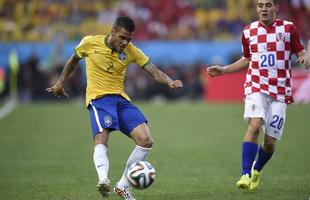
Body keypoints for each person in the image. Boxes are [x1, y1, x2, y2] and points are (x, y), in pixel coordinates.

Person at [46, 16, 183, 199]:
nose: (125, 42)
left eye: (129, 39)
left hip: (121, 99)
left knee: (146, 140)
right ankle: (103, 180)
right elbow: (72, 61)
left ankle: (122, 186)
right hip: (99, 99)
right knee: (102, 137)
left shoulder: (132, 51)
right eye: (122, 37)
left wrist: (169, 81)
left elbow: (154, 71)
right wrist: (60, 82)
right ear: (112, 32)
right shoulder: (90, 42)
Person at [207, 0, 310, 190]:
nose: (264, 8)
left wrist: (304, 57)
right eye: (260, 5)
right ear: (256, 8)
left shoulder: (288, 29)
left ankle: (256, 169)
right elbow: (247, 59)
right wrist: (224, 70)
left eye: (268, 5)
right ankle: (245, 174)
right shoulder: (248, 31)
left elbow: (301, 51)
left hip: (279, 91)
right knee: (254, 125)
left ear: (276, 7)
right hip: (256, 86)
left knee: (269, 143)